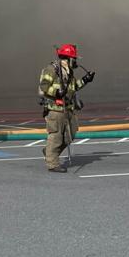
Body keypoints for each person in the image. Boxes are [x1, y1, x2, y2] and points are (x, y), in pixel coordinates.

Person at [38, 44, 94, 173]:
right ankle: (52, 163)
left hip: (68, 108)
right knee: (56, 136)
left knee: (70, 134)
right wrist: (57, 92)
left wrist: (85, 80)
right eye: (74, 59)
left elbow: (73, 88)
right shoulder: (52, 69)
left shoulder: (69, 72)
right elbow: (44, 86)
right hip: (55, 109)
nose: (75, 62)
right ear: (68, 58)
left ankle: (48, 151)